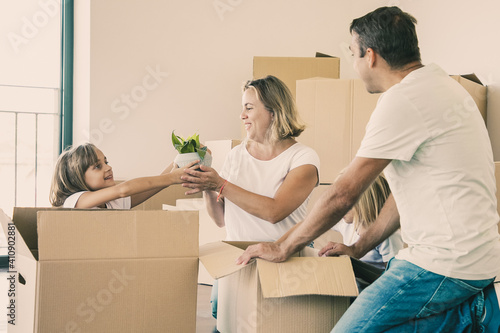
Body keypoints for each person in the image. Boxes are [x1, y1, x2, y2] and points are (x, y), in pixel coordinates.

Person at [236, 6, 500, 332]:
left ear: (371, 56)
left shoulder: (403, 100)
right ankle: (467, 313)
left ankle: (466, 314)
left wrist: (281, 247)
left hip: (441, 266)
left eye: (353, 54)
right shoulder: (445, 88)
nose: (355, 64)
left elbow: (344, 193)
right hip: (478, 265)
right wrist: (359, 248)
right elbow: (405, 197)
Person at [180, 75, 320, 318]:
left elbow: (274, 212)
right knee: (219, 312)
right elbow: (220, 218)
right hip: (238, 257)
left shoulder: (303, 158)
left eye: (249, 108)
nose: (242, 115)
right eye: (242, 108)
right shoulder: (237, 155)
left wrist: (219, 183)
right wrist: (207, 186)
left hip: (283, 257)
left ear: (274, 112)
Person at [49, 142, 198, 209]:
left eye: (106, 162)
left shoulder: (113, 203)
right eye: (97, 166)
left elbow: (153, 186)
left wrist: (183, 159)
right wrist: (172, 178)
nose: (108, 167)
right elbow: (123, 190)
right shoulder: (76, 201)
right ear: (77, 177)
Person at [330, 172, 403, 271]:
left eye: (344, 201)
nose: (339, 207)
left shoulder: (388, 237)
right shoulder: (348, 224)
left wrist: (357, 268)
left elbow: (393, 275)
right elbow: (318, 225)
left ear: (364, 203)